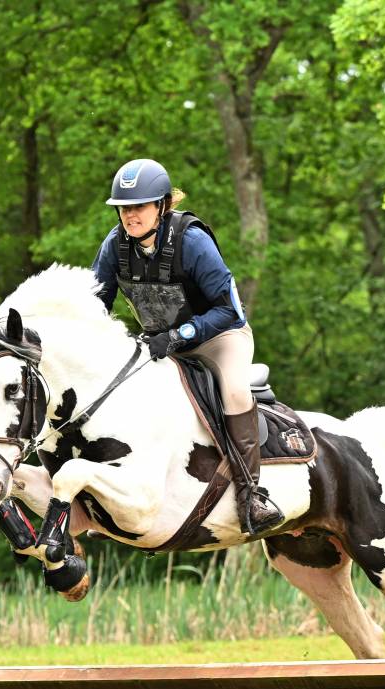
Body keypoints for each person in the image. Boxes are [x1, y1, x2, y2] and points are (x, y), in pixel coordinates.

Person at [92, 158, 283, 536]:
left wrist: (181, 336)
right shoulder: (114, 246)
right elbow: (95, 303)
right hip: (162, 346)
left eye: (139, 207)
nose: (130, 216)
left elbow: (230, 309)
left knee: (232, 389)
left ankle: (251, 494)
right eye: (124, 209)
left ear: (162, 206)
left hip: (220, 338)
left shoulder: (192, 241)